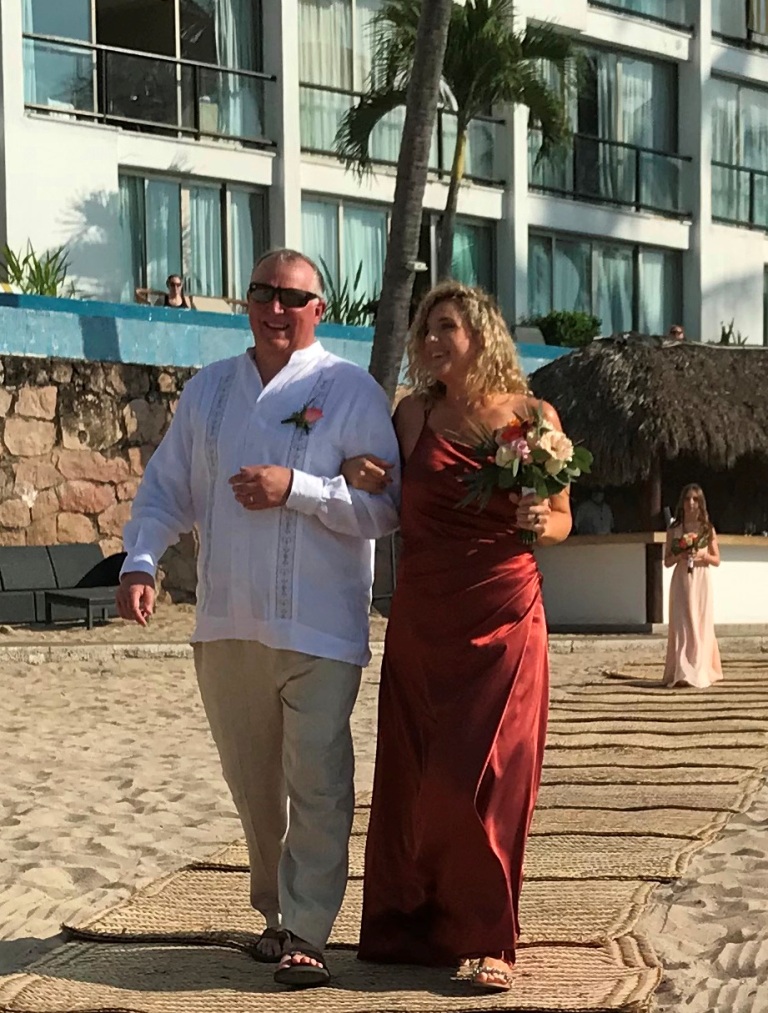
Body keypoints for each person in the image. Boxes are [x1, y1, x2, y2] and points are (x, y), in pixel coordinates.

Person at [116, 249, 401, 988]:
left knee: (319, 781)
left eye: (293, 297)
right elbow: (166, 488)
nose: (277, 308)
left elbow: (385, 509)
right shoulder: (209, 390)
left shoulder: (351, 391)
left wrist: (296, 487)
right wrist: (141, 559)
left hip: (321, 629)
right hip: (226, 624)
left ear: (319, 309)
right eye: (263, 293)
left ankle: (309, 929)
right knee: (254, 789)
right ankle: (275, 913)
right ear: (246, 302)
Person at [341, 282, 572, 992]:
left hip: (505, 614)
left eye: (447, 326)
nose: (432, 340)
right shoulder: (412, 414)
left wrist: (544, 520)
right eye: (425, 330)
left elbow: (563, 518)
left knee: (492, 775)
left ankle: (489, 939)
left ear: (482, 334)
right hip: (424, 618)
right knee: (420, 777)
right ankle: (415, 927)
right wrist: (358, 472)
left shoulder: (533, 417)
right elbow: (385, 492)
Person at [663, 484, 722, 689]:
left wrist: (702, 555)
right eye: (688, 498)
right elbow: (667, 561)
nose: (691, 503)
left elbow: (716, 560)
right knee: (682, 626)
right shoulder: (674, 530)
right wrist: (680, 555)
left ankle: (699, 669)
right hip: (681, 580)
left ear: (700, 503)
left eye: (695, 499)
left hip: (701, 581)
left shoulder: (707, 529)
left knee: (700, 625)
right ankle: (681, 671)